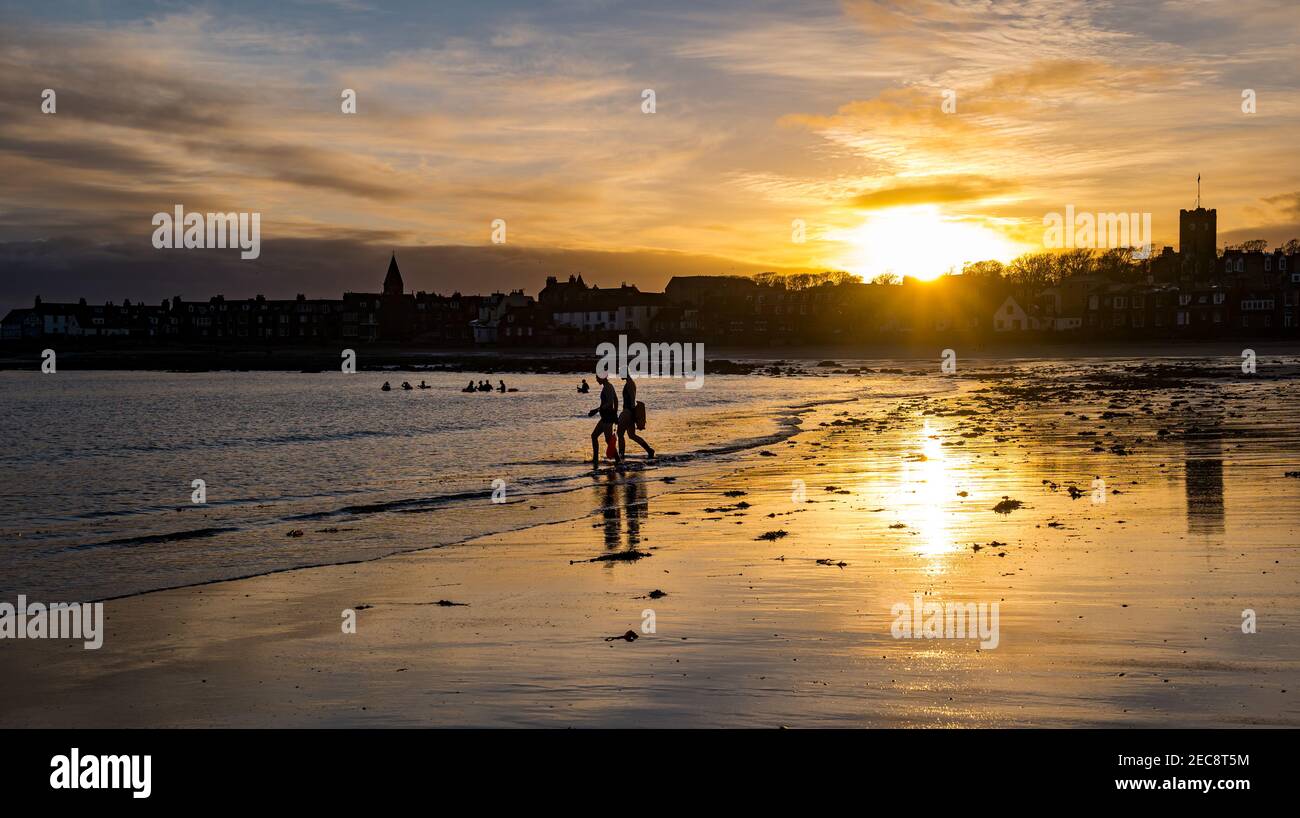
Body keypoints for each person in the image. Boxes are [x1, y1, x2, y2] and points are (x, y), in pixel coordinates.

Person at [617, 374, 654, 459]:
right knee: (632, 435)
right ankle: (649, 450)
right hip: (629, 412)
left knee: (620, 434)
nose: (619, 375)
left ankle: (621, 455)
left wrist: (634, 417)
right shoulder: (630, 382)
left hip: (627, 411)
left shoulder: (630, 383)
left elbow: (632, 400)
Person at [588, 374, 621, 467]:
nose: (596, 380)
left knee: (607, 440)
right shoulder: (608, 386)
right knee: (594, 436)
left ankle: (618, 459)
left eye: (597, 378)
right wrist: (615, 412)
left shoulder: (608, 387)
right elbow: (616, 399)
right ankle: (595, 459)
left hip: (607, 418)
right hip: (605, 417)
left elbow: (610, 402)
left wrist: (596, 410)